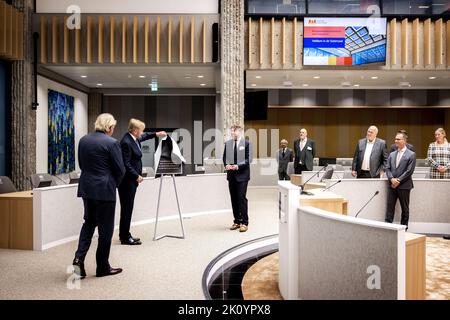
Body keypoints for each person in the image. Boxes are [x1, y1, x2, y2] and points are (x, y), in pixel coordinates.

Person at [72, 113, 125, 279]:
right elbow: (121, 170)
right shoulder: (112, 143)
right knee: (105, 230)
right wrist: (113, 184)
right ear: (109, 127)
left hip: (87, 188)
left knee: (89, 223)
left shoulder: (84, 140)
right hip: (105, 190)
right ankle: (102, 267)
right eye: (113, 128)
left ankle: (78, 258)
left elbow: (82, 164)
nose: (112, 131)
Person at [118, 119, 167, 245]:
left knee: (128, 208)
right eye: (141, 130)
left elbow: (145, 136)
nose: (142, 132)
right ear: (135, 130)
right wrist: (136, 176)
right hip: (127, 181)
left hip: (131, 181)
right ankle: (124, 237)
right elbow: (126, 163)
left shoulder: (134, 138)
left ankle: (125, 234)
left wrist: (157, 134)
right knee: (126, 209)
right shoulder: (126, 142)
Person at [223, 125, 252, 233]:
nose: (232, 134)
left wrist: (238, 166)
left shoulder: (247, 144)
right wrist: (226, 165)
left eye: (234, 132)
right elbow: (225, 157)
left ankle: (244, 222)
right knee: (233, 198)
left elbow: (248, 159)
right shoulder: (228, 144)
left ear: (239, 132)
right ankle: (237, 221)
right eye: (231, 132)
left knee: (241, 198)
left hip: (242, 175)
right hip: (231, 175)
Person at [385, 131, 416, 229]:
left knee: (405, 209)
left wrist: (398, 180)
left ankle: (404, 229)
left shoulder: (411, 154)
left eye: (398, 139)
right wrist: (391, 179)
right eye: (395, 139)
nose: (395, 141)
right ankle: (387, 228)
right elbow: (387, 168)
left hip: (404, 186)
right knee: (390, 208)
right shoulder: (392, 154)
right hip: (392, 185)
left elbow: (409, 171)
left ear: (404, 141)